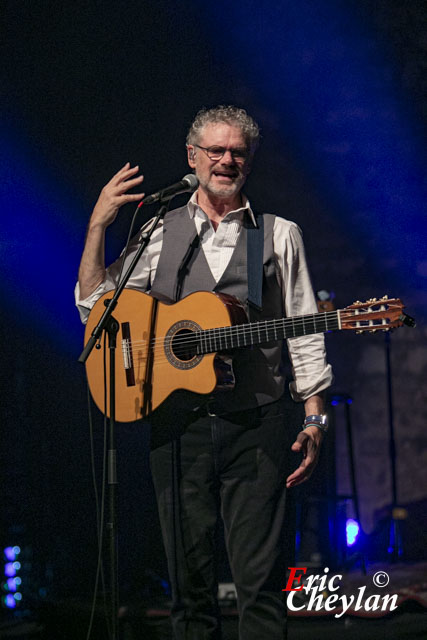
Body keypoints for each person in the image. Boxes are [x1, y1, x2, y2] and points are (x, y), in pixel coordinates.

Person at [75, 105, 333, 640]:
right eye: (215, 151)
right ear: (192, 157)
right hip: (177, 427)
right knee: (189, 593)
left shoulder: (280, 235)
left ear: (250, 160)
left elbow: (305, 327)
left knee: (260, 589)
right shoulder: (157, 231)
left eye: (237, 151)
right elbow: (97, 310)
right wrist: (99, 225)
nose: (226, 160)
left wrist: (314, 417)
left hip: (257, 428)